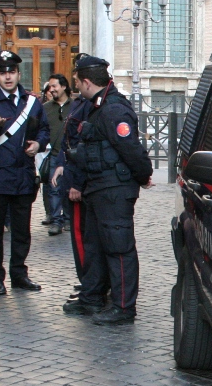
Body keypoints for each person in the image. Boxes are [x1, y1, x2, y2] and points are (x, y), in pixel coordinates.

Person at [62, 55, 152, 325]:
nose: (76, 87)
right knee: (95, 246)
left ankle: (123, 307)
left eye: (77, 82)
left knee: (118, 247)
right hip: (98, 187)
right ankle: (92, 297)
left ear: (87, 82)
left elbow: (131, 149)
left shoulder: (113, 109)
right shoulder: (98, 105)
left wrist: (144, 175)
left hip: (114, 190)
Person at [0, 51, 49, 295]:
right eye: (2, 72)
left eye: (11, 72)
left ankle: (19, 274)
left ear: (18, 73)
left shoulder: (32, 101)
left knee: (22, 231)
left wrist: (39, 144)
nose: (7, 77)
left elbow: (44, 129)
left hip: (23, 175)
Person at [52, 94, 93, 292]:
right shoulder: (79, 103)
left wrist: (76, 182)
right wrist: (61, 164)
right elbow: (67, 143)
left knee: (82, 234)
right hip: (74, 174)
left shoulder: (91, 106)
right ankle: (88, 280)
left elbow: (83, 146)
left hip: (83, 182)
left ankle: (89, 282)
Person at [42, 74, 71, 236]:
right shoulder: (46, 108)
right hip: (54, 154)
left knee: (69, 188)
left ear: (64, 86)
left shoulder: (76, 106)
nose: (51, 89)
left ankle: (68, 219)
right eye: (50, 87)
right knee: (54, 188)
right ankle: (55, 221)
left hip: (70, 155)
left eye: (54, 86)